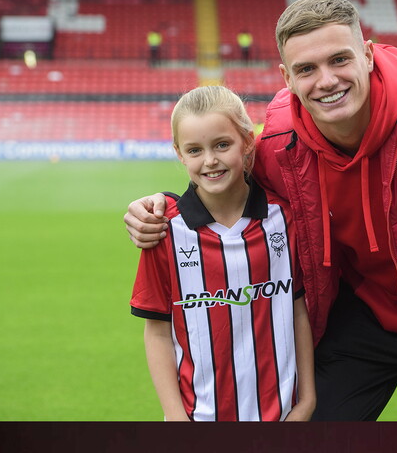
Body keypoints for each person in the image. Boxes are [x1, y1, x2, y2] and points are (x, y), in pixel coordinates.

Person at [125, 0, 397, 422]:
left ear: (366, 55)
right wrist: (163, 206)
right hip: (361, 313)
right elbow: (223, 182)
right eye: (307, 69)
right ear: (286, 78)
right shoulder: (276, 141)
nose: (326, 81)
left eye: (339, 60)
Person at [129, 85, 316, 421]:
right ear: (179, 154)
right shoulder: (165, 231)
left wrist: (307, 400)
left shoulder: (283, 219)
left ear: (247, 141)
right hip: (201, 418)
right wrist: (174, 416)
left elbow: (298, 309)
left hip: (283, 415)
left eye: (222, 145)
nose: (210, 160)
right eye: (195, 150)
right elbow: (157, 330)